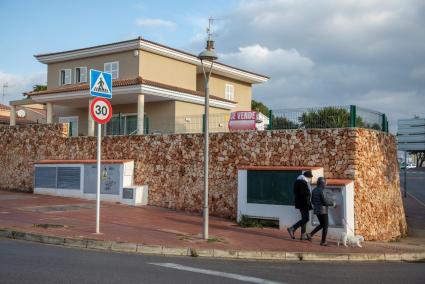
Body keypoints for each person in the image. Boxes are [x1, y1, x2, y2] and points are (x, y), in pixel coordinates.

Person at [307, 177, 336, 246]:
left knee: (322, 224)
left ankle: (310, 234)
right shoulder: (321, 190)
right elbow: (324, 202)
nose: (326, 184)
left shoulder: (314, 190)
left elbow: (312, 201)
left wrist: (318, 204)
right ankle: (323, 242)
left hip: (316, 210)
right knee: (325, 226)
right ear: (322, 183)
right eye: (325, 183)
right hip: (323, 211)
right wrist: (332, 204)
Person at [287, 170, 313, 240]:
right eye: (310, 178)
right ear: (307, 177)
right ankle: (292, 228)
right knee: (306, 218)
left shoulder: (298, 181)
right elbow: (305, 194)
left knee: (304, 218)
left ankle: (303, 235)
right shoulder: (302, 182)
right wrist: (309, 200)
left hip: (301, 203)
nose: (310, 179)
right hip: (304, 203)